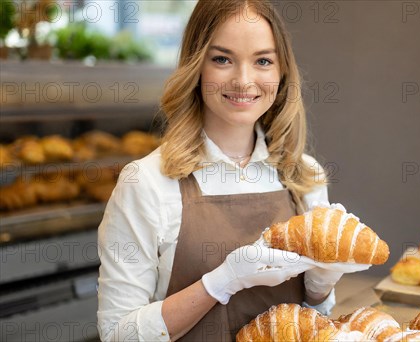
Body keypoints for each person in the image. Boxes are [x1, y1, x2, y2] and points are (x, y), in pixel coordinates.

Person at [97, 1, 367, 341]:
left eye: (263, 61)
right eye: (222, 59)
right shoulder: (146, 182)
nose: (243, 80)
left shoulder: (303, 176)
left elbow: (312, 324)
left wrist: (320, 285)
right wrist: (222, 281)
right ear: (196, 67)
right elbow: (118, 334)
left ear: (282, 72)